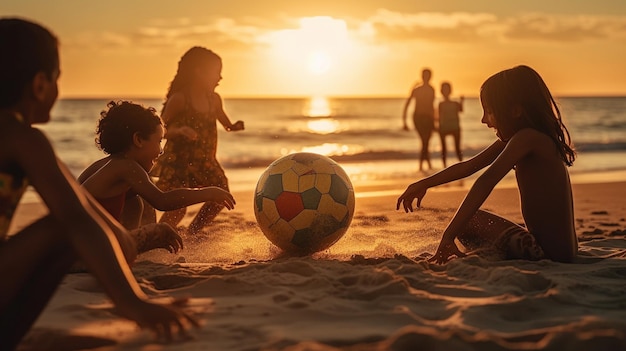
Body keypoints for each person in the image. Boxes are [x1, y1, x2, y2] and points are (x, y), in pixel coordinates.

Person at [0, 18, 197, 350]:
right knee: (63, 229)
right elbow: (75, 215)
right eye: (58, 79)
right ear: (39, 85)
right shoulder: (21, 138)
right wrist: (131, 301)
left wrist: (119, 235)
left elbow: (78, 199)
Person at [397, 65, 577, 264]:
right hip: (557, 252)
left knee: (469, 221)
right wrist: (425, 183)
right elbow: (469, 166)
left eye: (489, 112)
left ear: (515, 110)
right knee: (468, 220)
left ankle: (483, 254)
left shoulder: (527, 138)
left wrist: (448, 235)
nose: (484, 120)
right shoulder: (525, 138)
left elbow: (486, 181)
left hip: (547, 254)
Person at [77, 101, 236, 251]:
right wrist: (209, 193)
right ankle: (139, 246)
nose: (161, 150)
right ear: (138, 140)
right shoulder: (126, 167)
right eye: (159, 141)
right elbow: (162, 200)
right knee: (160, 229)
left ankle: (137, 246)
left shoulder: (106, 164)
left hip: (81, 243)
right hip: (81, 251)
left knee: (137, 199)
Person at [150, 47, 244, 235]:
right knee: (177, 209)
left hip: (205, 162)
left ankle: (192, 233)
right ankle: (155, 239)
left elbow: (225, 123)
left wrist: (234, 126)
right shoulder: (180, 99)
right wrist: (178, 131)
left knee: (221, 195)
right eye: (216, 72)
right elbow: (157, 131)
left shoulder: (214, 100)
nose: (220, 78)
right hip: (179, 164)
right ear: (198, 71)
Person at [402, 68, 436, 172]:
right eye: (425, 75)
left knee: (426, 141)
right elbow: (408, 103)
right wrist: (404, 120)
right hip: (419, 117)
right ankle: (424, 165)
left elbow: (432, 106)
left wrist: (435, 120)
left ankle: (425, 165)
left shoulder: (431, 89)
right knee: (424, 140)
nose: (426, 78)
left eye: (428, 75)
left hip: (429, 117)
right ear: (422, 76)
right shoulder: (417, 89)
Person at [437, 82, 464, 168]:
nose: (445, 92)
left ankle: (462, 167)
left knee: (457, 148)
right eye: (444, 90)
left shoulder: (454, 103)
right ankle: (444, 167)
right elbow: (438, 117)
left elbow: (461, 110)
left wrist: (462, 101)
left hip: (454, 127)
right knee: (444, 149)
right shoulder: (441, 104)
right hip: (444, 128)